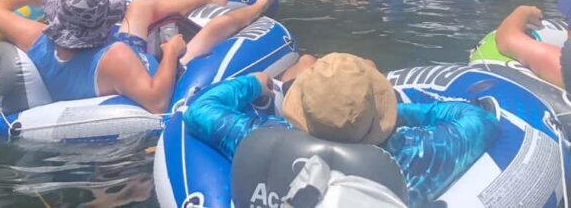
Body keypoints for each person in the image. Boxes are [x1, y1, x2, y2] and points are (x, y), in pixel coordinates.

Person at [183, 52, 498, 205]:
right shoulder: (410, 154)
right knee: (369, 63)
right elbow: (476, 118)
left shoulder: (260, 134)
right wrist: (397, 114)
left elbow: (200, 110)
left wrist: (255, 82)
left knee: (306, 59)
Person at [0, 0, 297, 112]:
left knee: (143, 6)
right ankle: (259, 5)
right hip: (138, 70)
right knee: (214, 30)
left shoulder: (38, 38)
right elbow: (157, 102)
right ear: (106, 23)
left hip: (99, 58)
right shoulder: (116, 57)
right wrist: (171, 52)